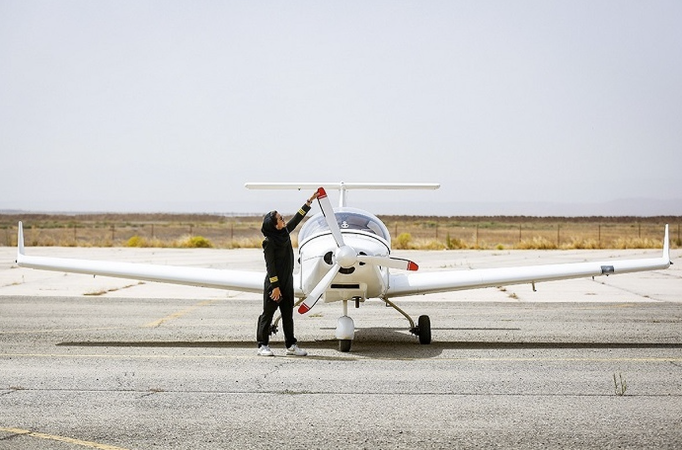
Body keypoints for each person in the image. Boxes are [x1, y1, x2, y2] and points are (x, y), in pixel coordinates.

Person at [256, 190, 319, 356]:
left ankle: (291, 345)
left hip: (287, 282)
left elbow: (296, 219)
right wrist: (275, 287)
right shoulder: (269, 242)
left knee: (287, 315)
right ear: (274, 224)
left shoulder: (283, 233)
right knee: (268, 314)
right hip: (274, 284)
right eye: (280, 219)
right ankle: (262, 345)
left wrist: (308, 203)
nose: (284, 220)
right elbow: (270, 266)